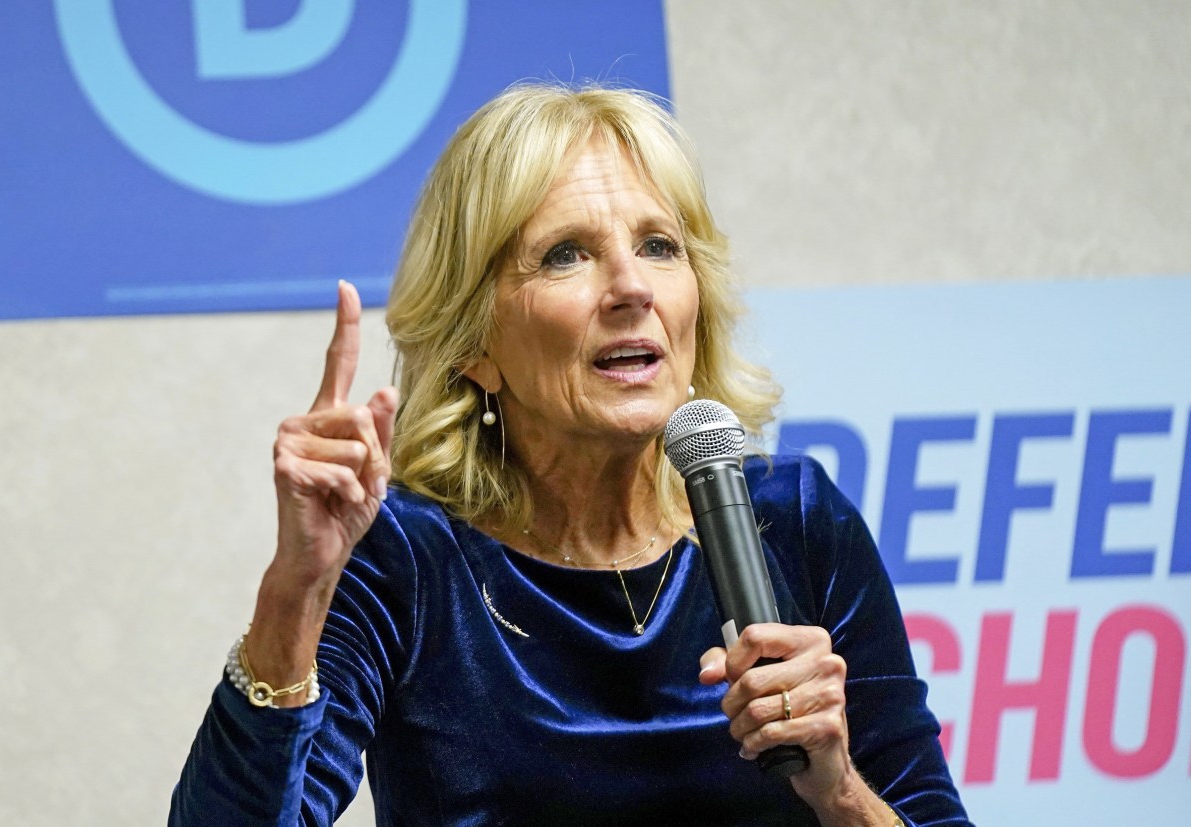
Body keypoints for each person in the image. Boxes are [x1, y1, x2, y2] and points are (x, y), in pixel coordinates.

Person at [170, 83, 971, 826]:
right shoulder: (407, 555)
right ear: (474, 344)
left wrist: (837, 787)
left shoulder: (793, 519)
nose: (632, 288)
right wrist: (296, 591)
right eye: (566, 255)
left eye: (660, 245)